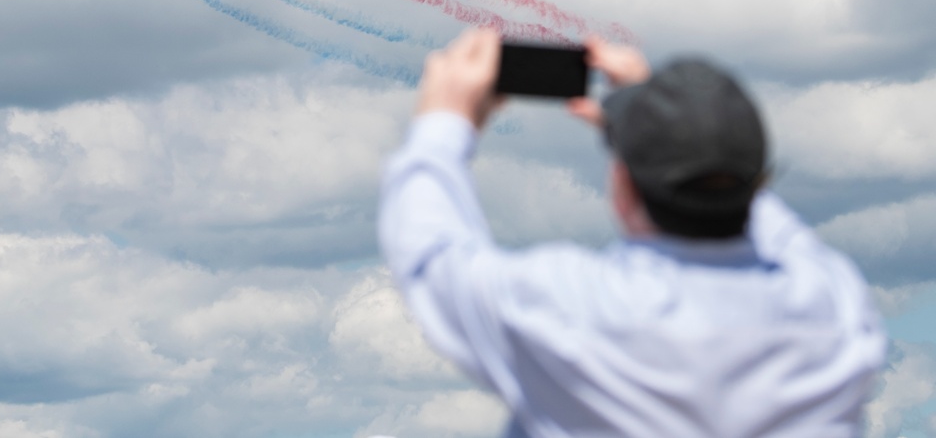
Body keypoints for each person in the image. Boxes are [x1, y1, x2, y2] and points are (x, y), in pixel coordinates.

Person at [378, 28, 886, 438]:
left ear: (622, 187)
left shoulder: (574, 309)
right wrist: (680, 132)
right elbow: (784, 235)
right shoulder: (837, 312)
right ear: (755, 181)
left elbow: (430, 255)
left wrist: (444, 118)